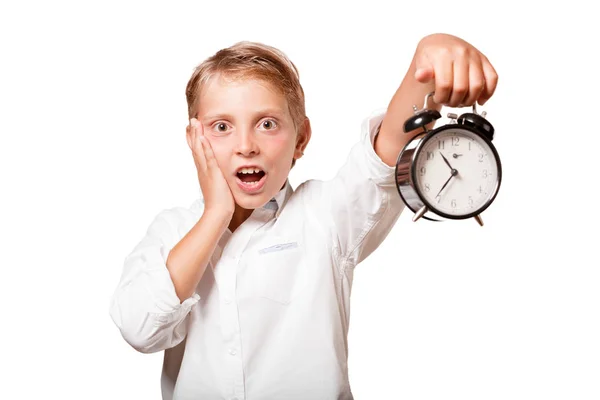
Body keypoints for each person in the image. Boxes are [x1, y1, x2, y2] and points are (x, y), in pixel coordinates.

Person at [109, 33, 498, 400]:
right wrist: (216, 213)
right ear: (195, 139)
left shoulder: (324, 217)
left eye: (267, 124)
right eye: (222, 127)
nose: (246, 146)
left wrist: (428, 58)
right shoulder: (170, 231)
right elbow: (141, 329)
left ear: (301, 139)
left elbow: (387, 152)